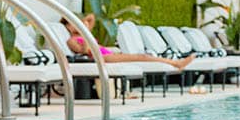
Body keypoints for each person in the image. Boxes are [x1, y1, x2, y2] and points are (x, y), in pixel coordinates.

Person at [61, 14, 196, 70]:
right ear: (67, 27)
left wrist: (83, 25)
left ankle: (175, 63)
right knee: (142, 57)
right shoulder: (71, 40)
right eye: (71, 23)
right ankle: (176, 63)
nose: (75, 25)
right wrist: (85, 34)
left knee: (142, 57)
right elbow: (84, 52)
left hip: (107, 53)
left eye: (75, 22)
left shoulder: (84, 32)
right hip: (101, 57)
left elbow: (91, 17)